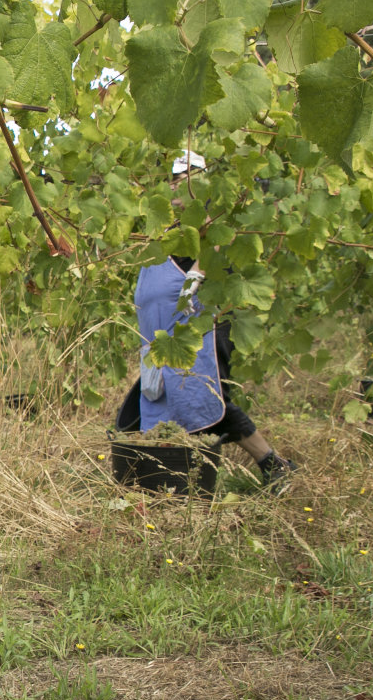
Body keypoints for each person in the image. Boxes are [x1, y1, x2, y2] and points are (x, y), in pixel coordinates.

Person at [114, 152, 294, 488]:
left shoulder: (209, 226)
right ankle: (170, 481)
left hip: (199, 333)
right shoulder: (169, 231)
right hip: (162, 341)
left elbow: (216, 255)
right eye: (174, 180)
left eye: (185, 179)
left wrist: (197, 274)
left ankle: (272, 464)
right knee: (160, 409)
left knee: (207, 403)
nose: (176, 186)